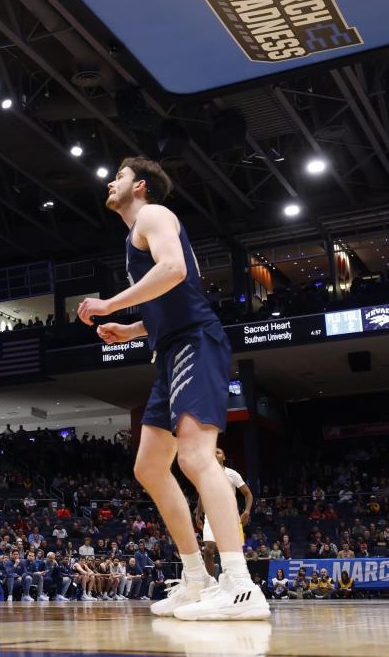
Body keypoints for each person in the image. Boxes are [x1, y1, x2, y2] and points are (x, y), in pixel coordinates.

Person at [78, 158, 267, 621]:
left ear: (139, 186)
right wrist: (131, 329)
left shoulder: (153, 215)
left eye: (118, 175)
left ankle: (240, 585)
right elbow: (169, 296)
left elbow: (175, 270)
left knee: (195, 457)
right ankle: (196, 578)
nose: (110, 179)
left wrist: (108, 305)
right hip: (169, 348)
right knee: (148, 467)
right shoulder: (136, 234)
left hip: (195, 343)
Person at [193, 448, 253, 577]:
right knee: (208, 549)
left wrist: (247, 511)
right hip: (211, 516)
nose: (215, 454)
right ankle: (210, 584)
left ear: (224, 457)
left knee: (230, 553)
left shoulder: (232, 474)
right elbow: (202, 496)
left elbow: (248, 494)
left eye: (218, 452)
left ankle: (234, 579)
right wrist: (198, 515)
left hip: (230, 517)